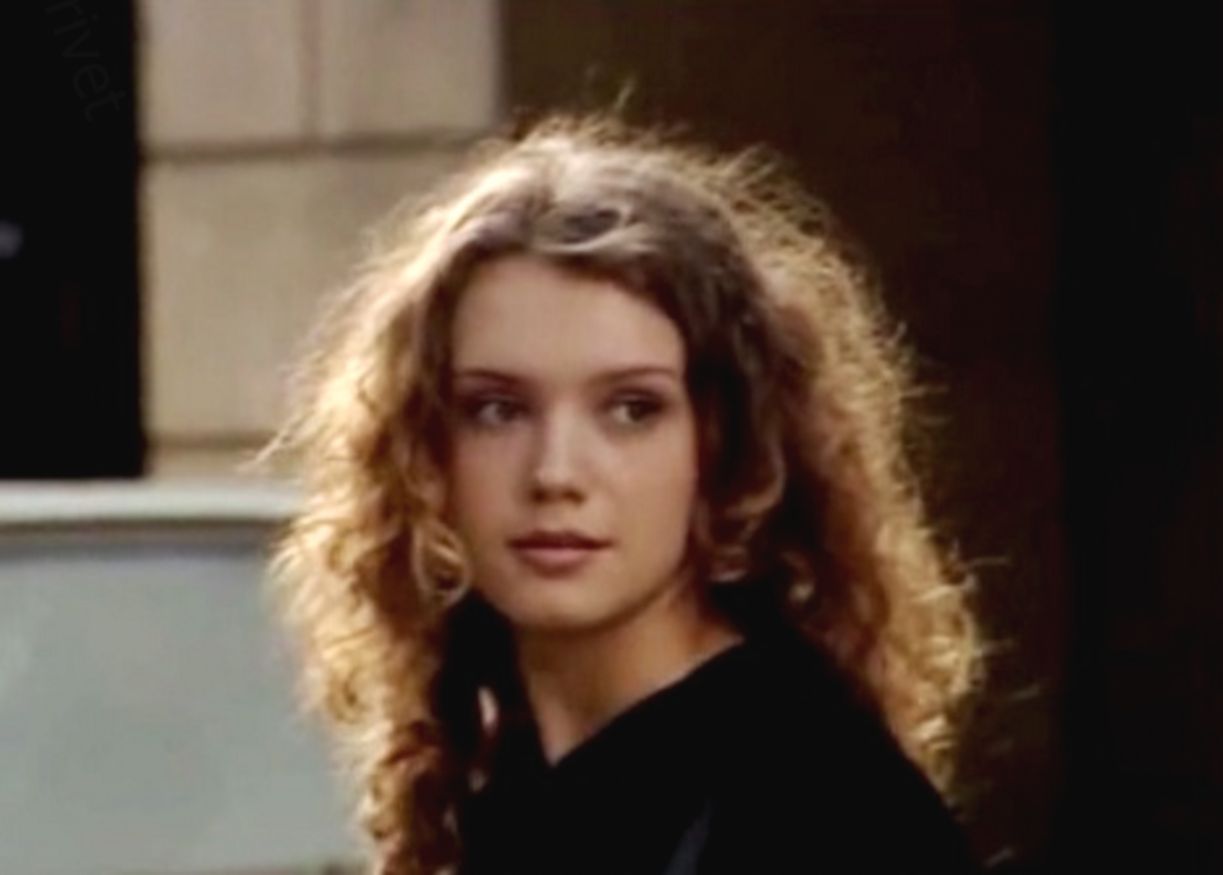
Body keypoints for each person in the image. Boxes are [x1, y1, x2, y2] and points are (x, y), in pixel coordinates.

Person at [259, 113, 988, 875]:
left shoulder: (821, 806)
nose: (555, 473)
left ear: (724, 444)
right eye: (497, 409)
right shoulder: (497, 786)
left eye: (631, 409)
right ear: (425, 450)